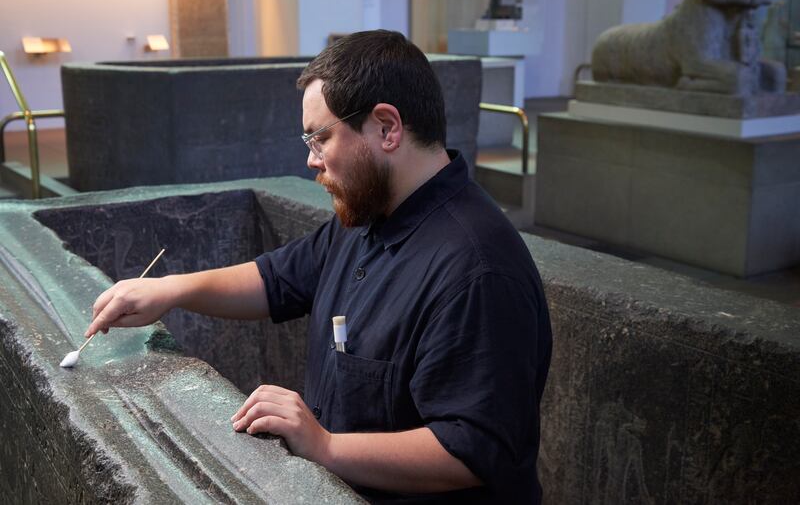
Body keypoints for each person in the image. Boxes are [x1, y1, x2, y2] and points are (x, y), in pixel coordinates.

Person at [85, 30, 552, 504]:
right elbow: (276, 279)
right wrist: (170, 290)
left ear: (387, 127)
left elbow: (474, 451)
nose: (311, 160)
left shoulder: (477, 270)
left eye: (320, 137)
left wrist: (324, 445)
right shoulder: (370, 212)